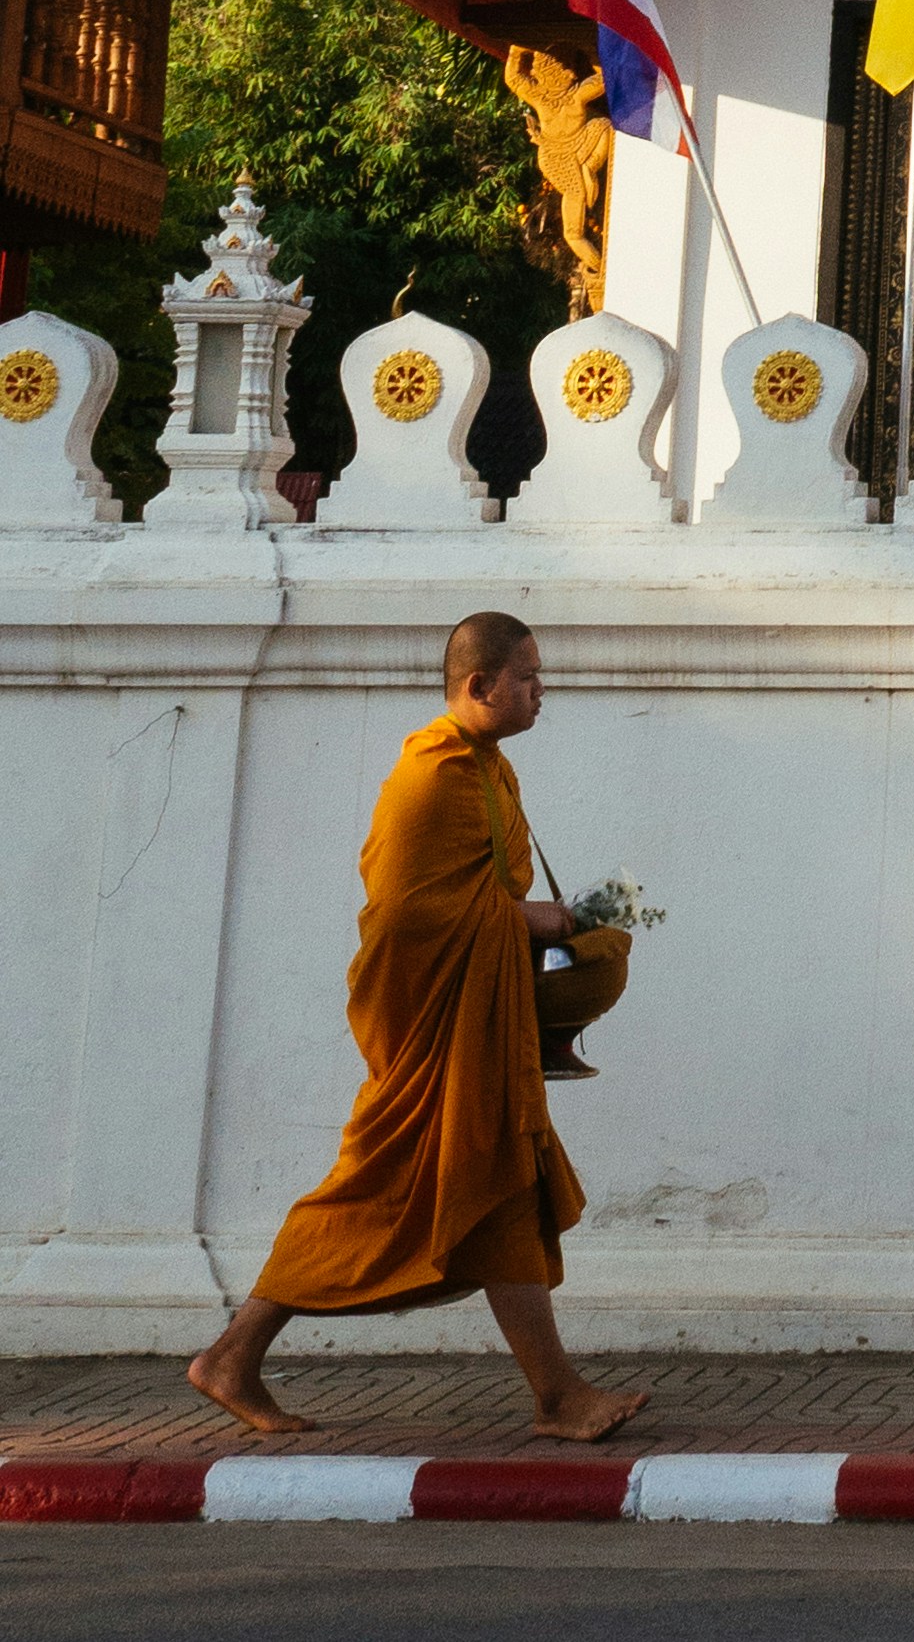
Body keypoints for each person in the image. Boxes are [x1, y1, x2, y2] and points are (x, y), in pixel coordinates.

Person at [185, 612, 641, 1445]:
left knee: (503, 1182)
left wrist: (555, 954)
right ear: (481, 686)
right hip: (428, 1034)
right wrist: (542, 921)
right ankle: (231, 1356)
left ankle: (556, 1394)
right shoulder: (433, 775)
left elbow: (482, 904)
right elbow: (408, 914)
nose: (543, 691)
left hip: (477, 1029)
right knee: (369, 1195)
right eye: (529, 677)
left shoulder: (490, 771)